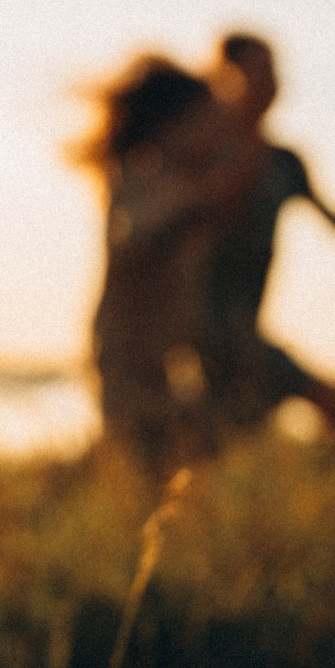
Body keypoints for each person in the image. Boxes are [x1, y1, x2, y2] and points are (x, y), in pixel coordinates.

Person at [197, 33, 335, 438]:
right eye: (257, 71)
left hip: (247, 329)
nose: (270, 82)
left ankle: (327, 500)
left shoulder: (284, 163)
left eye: (274, 71)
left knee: (229, 440)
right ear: (224, 77)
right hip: (203, 330)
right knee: (326, 403)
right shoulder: (201, 156)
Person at [77, 55, 261, 476]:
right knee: (141, 475)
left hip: (169, 367)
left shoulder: (185, 183)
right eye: (205, 123)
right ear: (172, 126)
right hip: (124, 362)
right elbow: (135, 236)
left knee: (182, 470)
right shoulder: (137, 179)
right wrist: (200, 203)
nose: (214, 135)